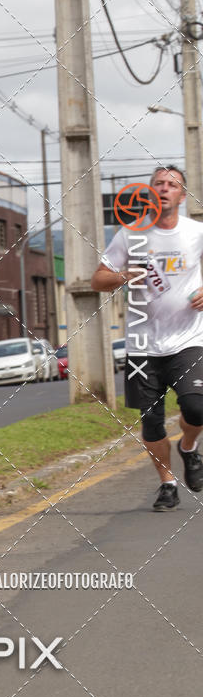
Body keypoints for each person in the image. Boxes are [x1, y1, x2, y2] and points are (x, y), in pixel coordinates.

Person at [91, 165, 203, 511]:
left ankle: (188, 446)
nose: (165, 188)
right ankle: (167, 484)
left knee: (197, 407)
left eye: (172, 184)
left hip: (188, 338)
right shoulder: (130, 234)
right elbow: (98, 280)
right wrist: (124, 275)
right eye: (159, 184)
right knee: (151, 420)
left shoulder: (197, 233)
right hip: (142, 344)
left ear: (182, 196)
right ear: (150, 192)